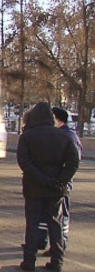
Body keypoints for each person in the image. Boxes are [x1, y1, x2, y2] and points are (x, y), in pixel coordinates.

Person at [16, 102, 79, 272]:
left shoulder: (27, 136)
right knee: (55, 225)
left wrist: (42, 179)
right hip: (55, 189)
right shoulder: (63, 137)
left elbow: (24, 162)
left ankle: (29, 262)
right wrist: (60, 180)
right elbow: (73, 162)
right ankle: (57, 262)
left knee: (33, 224)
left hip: (33, 187)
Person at [35, 107, 83, 257]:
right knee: (46, 214)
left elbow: (72, 162)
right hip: (52, 182)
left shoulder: (69, 136)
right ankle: (41, 241)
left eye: (52, 117)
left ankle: (61, 245)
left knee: (62, 215)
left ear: (58, 119)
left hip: (62, 183)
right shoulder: (59, 134)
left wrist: (61, 180)